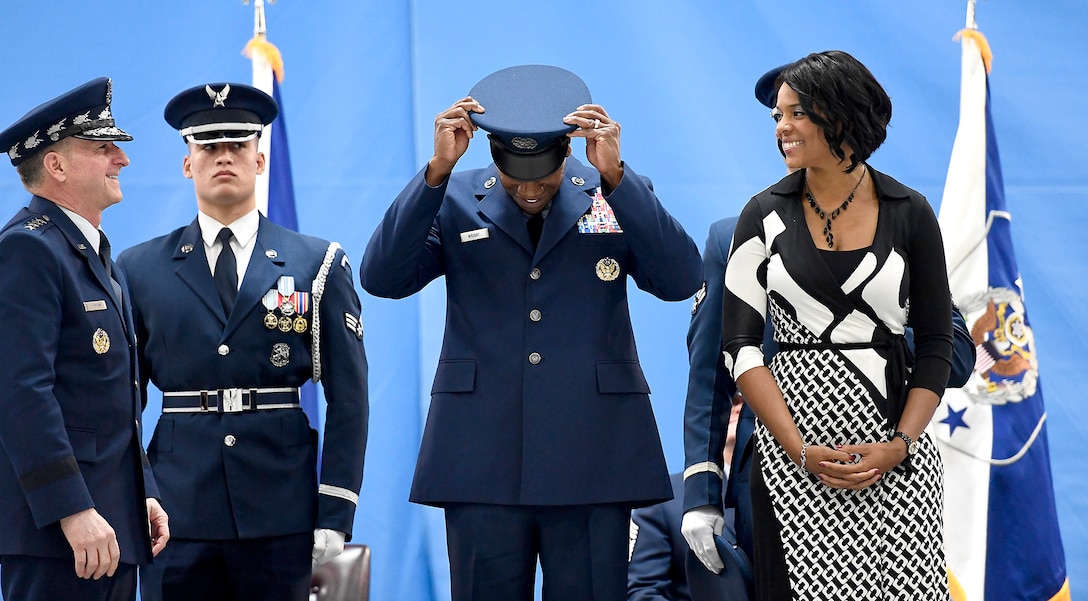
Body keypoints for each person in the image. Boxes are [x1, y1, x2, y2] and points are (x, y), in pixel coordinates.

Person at [360, 64, 703, 601]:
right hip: (479, 457)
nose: (528, 190)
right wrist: (436, 171)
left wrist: (617, 177)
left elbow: (682, 280)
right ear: (491, 151)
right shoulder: (454, 196)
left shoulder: (609, 192)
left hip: (594, 455)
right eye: (515, 176)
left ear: (568, 151)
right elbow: (382, 277)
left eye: (539, 177)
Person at [681, 65, 979, 596]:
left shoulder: (910, 213)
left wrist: (898, 441)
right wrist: (718, 483)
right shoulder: (757, 217)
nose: (781, 127)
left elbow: (943, 346)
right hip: (789, 468)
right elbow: (728, 353)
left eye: (797, 113)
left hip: (896, 467)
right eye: (778, 115)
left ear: (840, 118)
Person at [116, 82, 369, 601]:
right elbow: (121, 400)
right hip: (175, 513)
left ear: (259, 159)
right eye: (208, 146)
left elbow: (350, 399)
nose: (223, 157)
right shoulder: (138, 269)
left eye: (236, 146)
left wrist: (335, 510)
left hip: (282, 510)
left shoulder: (317, 263)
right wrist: (137, 493)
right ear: (188, 164)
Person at [0, 77, 169, 601]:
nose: (121, 160)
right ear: (56, 165)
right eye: (103, 148)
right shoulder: (29, 251)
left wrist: (141, 491)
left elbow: (110, 400)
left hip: (110, 524)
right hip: (62, 534)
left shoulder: (94, 257)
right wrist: (72, 509)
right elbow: (19, 392)